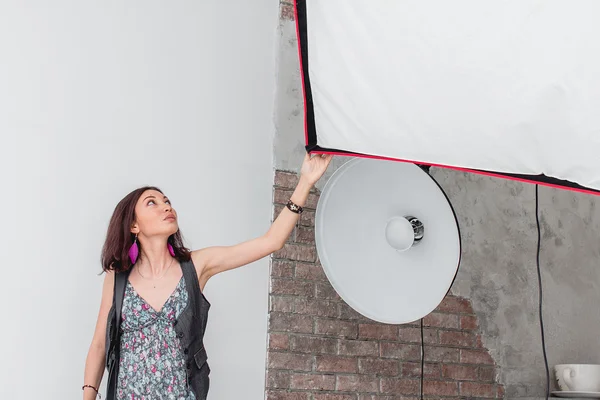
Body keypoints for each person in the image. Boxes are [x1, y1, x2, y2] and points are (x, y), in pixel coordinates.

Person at [82, 153, 333, 400]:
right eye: (152, 202)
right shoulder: (118, 277)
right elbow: (99, 345)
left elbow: (271, 242)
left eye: (166, 201)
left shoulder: (196, 265)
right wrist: (88, 396)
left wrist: (306, 182)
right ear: (133, 225)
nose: (166, 206)